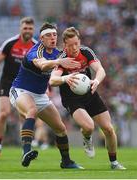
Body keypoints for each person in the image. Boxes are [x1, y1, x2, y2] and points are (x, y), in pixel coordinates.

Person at [49, 27, 126, 170]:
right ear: (64, 44)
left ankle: (114, 163)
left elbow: (100, 70)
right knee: (89, 126)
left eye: (76, 43)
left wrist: (96, 81)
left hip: (90, 94)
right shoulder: (62, 58)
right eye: (70, 45)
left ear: (79, 41)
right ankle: (86, 136)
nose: (74, 48)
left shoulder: (86, 52)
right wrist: (66, 78)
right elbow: (52, 80)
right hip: (72, 99)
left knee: (109, 129)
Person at [9, 22, 83, 169]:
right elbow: (43, 65)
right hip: (20, 90)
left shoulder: (58, 53)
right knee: (31, 111)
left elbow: (59, 75)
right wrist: (58, 61)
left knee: (60, 128)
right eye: (48, 35)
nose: (52, 38)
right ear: (42, 39)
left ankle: (66, 161)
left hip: (40, 95)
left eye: (55, 35)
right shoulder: (35, 51)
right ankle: (26, 152)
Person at [0, 17, 37, 160]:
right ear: (20, 28)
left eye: (30, 28)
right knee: (4, 113)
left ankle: (25, 149)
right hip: (7, 82)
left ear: (33, 30)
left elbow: (41, 67)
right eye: (25, 28)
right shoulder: (10, 43)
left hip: (24, 85)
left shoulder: (35, 46)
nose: (27, 30)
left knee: (24, 115)